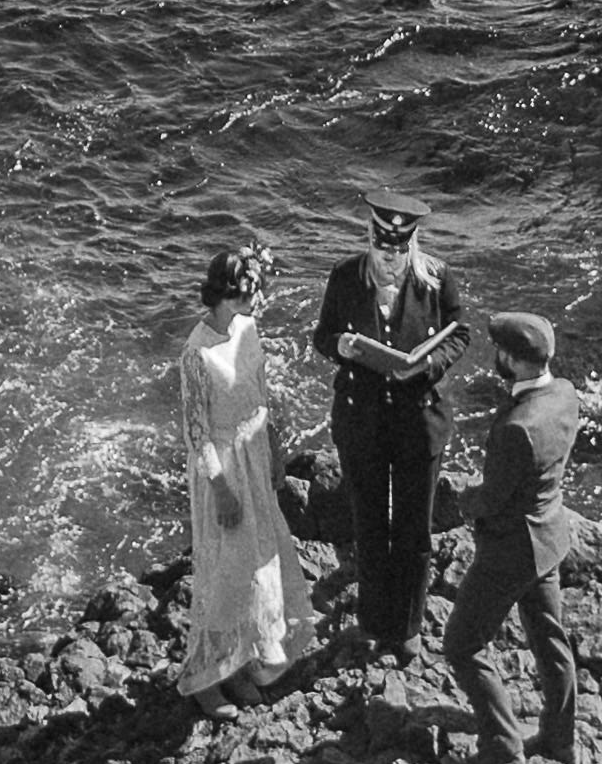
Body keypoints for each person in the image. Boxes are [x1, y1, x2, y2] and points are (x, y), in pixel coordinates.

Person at [442, 308, 591, 764]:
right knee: (550, 641)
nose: (496, 358)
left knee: (463, 645)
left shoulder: (516, 429)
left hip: (510, 550)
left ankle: (504, 757)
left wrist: (462, 501)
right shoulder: (564, 394)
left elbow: (491, 500)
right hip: (550, 536)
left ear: (515, 359)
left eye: (501, 352)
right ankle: (560, 740)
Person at [310, 192, 463, 656]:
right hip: (364, 423)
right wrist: (342, 348)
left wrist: (429, 365)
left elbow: (460, 333)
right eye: (383, 248)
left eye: (400, 249)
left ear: (412, 243)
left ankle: (409, 625)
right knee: (370, 526)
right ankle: (373, 620)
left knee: (414, 530)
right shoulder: (344, 277)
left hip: (419, 423)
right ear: (371, 239)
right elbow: (322, 336)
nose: (391, 259)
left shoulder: (436, 279)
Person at [173, 242, 316, 699]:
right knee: (224, 573)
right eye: (247, 293)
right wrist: (222, 491)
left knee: (258, 562)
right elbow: (196, 435)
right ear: (223, 293)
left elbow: (261, 394)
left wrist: (275, 449)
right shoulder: (196, 353)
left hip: (253, 455)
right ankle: (206, 679)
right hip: (222, 468)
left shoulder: (248, 328)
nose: (254, 301)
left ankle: (245, 658)